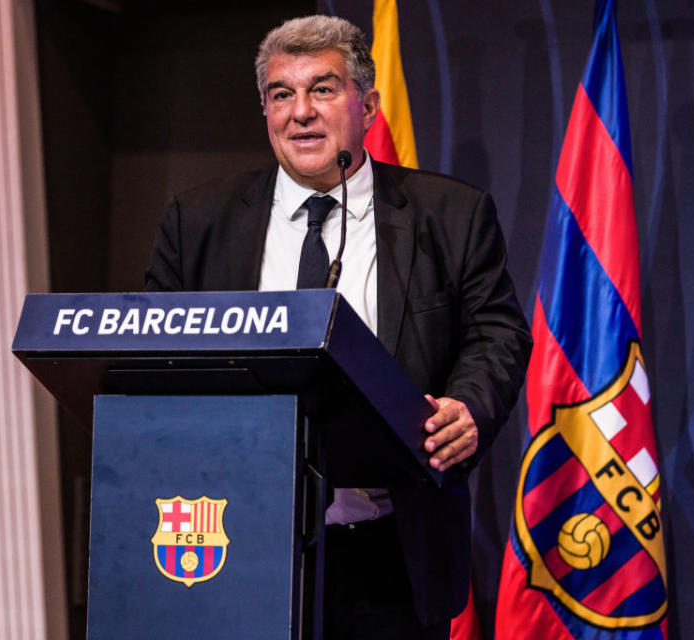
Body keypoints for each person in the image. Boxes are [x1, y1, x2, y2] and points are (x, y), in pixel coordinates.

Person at [145, 15, 531, 639]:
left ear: (368, 106)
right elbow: (155, 353)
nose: (300, 112)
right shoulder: (200, 221)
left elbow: (498, 333)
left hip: (393, 551)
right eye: (281, 95)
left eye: (322, 90)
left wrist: (469, 406)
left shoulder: (450, 214)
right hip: (236, 541)